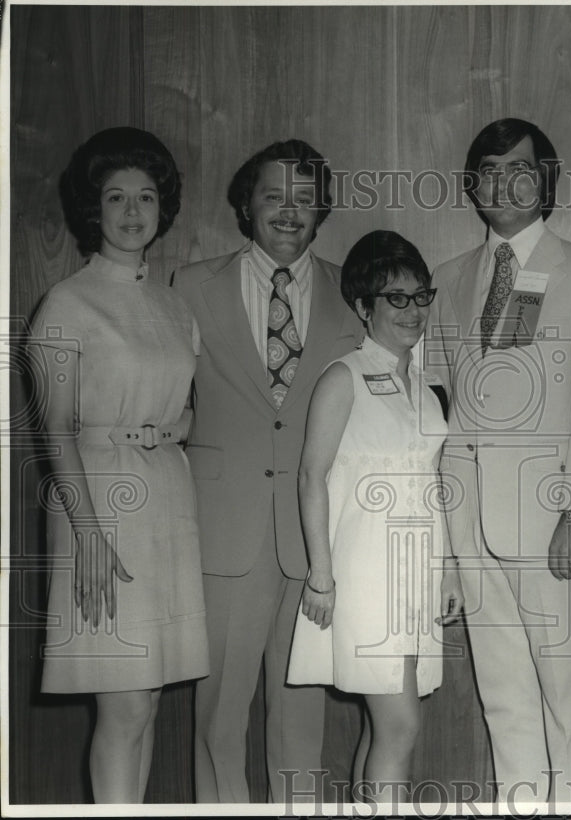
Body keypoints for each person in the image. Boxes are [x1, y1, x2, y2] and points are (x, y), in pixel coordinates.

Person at [424, 118, 571, 803]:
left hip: (549, 525)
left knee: (567, 693)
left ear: (545, 178)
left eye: (519, 168)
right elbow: (442, 408)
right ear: (472, 186)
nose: (503, 183)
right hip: (471, 522)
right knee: (504, 696)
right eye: (488, 170)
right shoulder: (450, 280)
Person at [171, 139, 364, 803]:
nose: (290, 211)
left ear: (323, 212)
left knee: (301, 720)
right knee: (218, 716)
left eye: (305, 199)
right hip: (224, 535)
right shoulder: (191, 286)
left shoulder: (354, 293)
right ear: (246, 205)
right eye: (275, 195)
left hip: (318, 543)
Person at [31, 127, 208, 802]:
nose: (133, 212)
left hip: (167, 496)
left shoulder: (170, 302)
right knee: (124, 706)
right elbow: (54, 433)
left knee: (150, 703)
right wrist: (88, 536)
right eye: (116, 198)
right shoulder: (68, 304)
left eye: (145, 196)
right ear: (93, 210)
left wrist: (174, 426)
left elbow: (186, 404)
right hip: (103, 507)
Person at [286, 230, 464, 803]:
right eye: (395, 298)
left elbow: (433, 482)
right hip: (367, 575)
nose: (413, 311)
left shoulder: (425, 384)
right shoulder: (343, 377)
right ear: (364, 307)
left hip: (416, 570)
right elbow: (312, 477)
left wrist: (449, 570)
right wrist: (321, 575)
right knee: (401, 724)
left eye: (420, 296)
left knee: (384, 724)